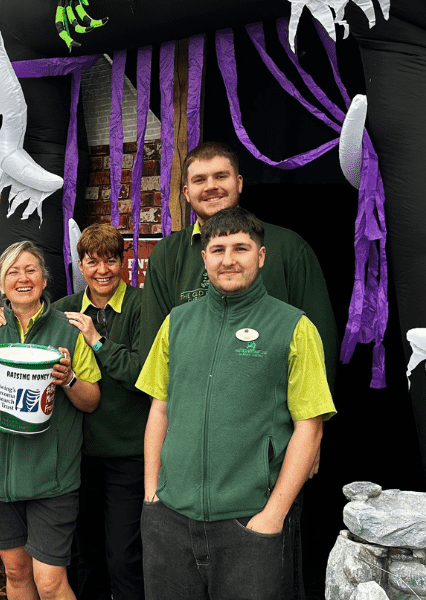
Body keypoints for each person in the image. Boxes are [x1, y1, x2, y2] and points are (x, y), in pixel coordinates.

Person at [136, 206, 335, 600]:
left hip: (249, 522)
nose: (229, 259)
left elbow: (309, 428)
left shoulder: (294, 327)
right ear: (204, 258)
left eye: (241, 248)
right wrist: (151, 494)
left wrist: (272, 515)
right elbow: (159, 409)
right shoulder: (176, 322)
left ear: (260, 257)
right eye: (218, 249)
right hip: (169, 519)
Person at [0, 224, 148, 600]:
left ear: (123, 263)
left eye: (110, 260)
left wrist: (96, 342)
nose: (102, 270)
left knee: (122, 555)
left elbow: (141, 375)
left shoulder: (141, 304)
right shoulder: (65, 309)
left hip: (125, 450)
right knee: (81, 556)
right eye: (92, 261)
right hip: (79, 453)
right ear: (81, 265)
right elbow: (27, 318)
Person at [0, 240, 102, 600]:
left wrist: (68, 379)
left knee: (50, 581)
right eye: (12, 272)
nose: (23, 278)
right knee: (17, 573)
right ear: (2, 283)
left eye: (31, 269)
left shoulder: (67, 331)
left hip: (51, 479)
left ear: (44, 279)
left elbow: (92, 401)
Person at [139, 141, 337, 389]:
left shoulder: (289, 247)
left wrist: (308, 420)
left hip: (272, 417)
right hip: (190, 413)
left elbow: (321, 343)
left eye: (221, 176)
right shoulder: (166, 255)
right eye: (200, 180)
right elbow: (153, 348)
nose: (211, 186)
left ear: (239, 183)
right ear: (187, 192)